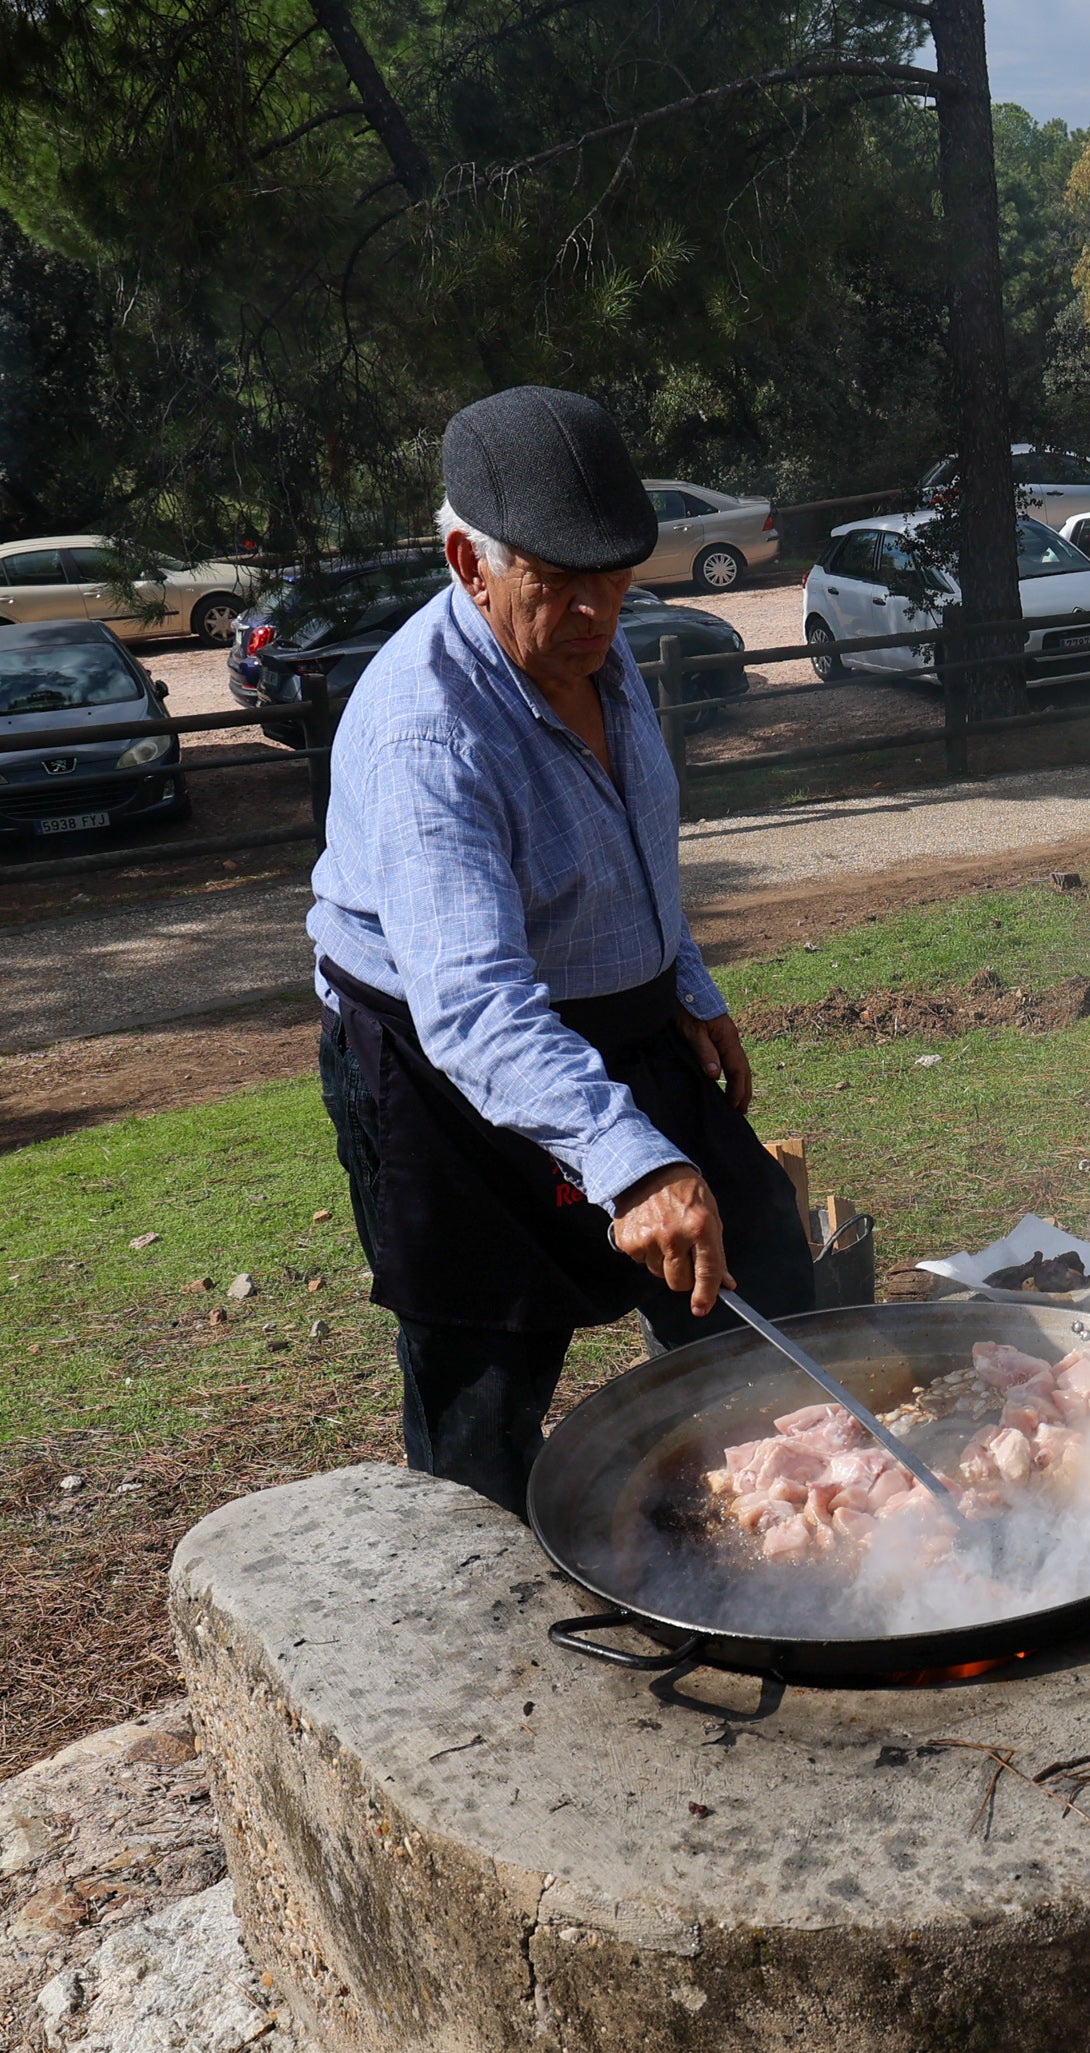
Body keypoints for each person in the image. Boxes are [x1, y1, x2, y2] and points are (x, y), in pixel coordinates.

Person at [311, 386, 813, 1515]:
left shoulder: (596, 653)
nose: (596, 610)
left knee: (763, 1268)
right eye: (558, 579)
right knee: (482, 1394)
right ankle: (478, 1631)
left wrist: (677, 975)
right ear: (467, 560)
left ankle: (781, 1511)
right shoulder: (424, 731)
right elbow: (476, 1005)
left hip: (622, 1018)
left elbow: (631, 833)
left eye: (615, 576)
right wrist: (631, 1163)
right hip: (443, 1066)